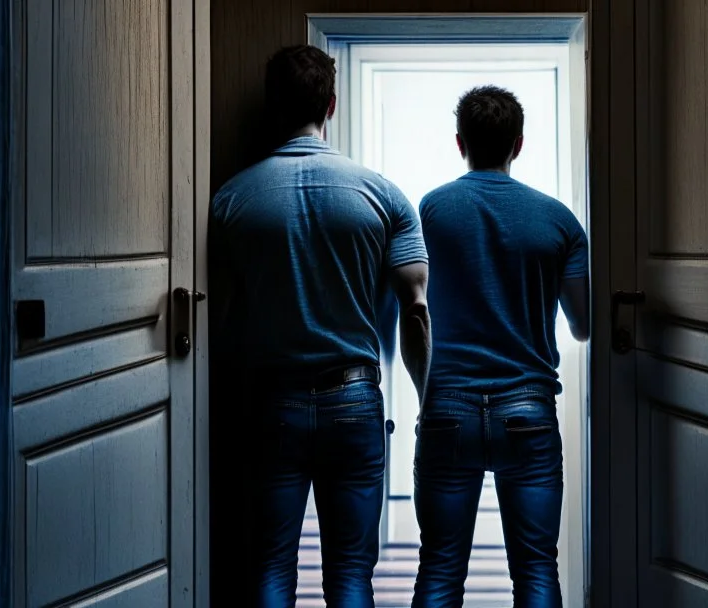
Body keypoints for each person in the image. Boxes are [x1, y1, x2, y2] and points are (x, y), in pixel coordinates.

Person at [209, 44, 431, 608]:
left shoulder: (231, 201)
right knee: (352, 575)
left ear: (272, 105)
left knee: (270, 569)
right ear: (331, 105)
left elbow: (220, 316)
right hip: (353, 401)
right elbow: (417, 308)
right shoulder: (382, 196)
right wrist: (427, 398)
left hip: (269, 403)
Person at [411, 85, 591, 608]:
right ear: (519, 144)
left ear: (460, 142)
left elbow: (412, 307)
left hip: (447, 408)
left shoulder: (432, 211)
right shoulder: (558, 221)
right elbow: (582, 325)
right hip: (529, 410)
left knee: (440, 570)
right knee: (536, 571)